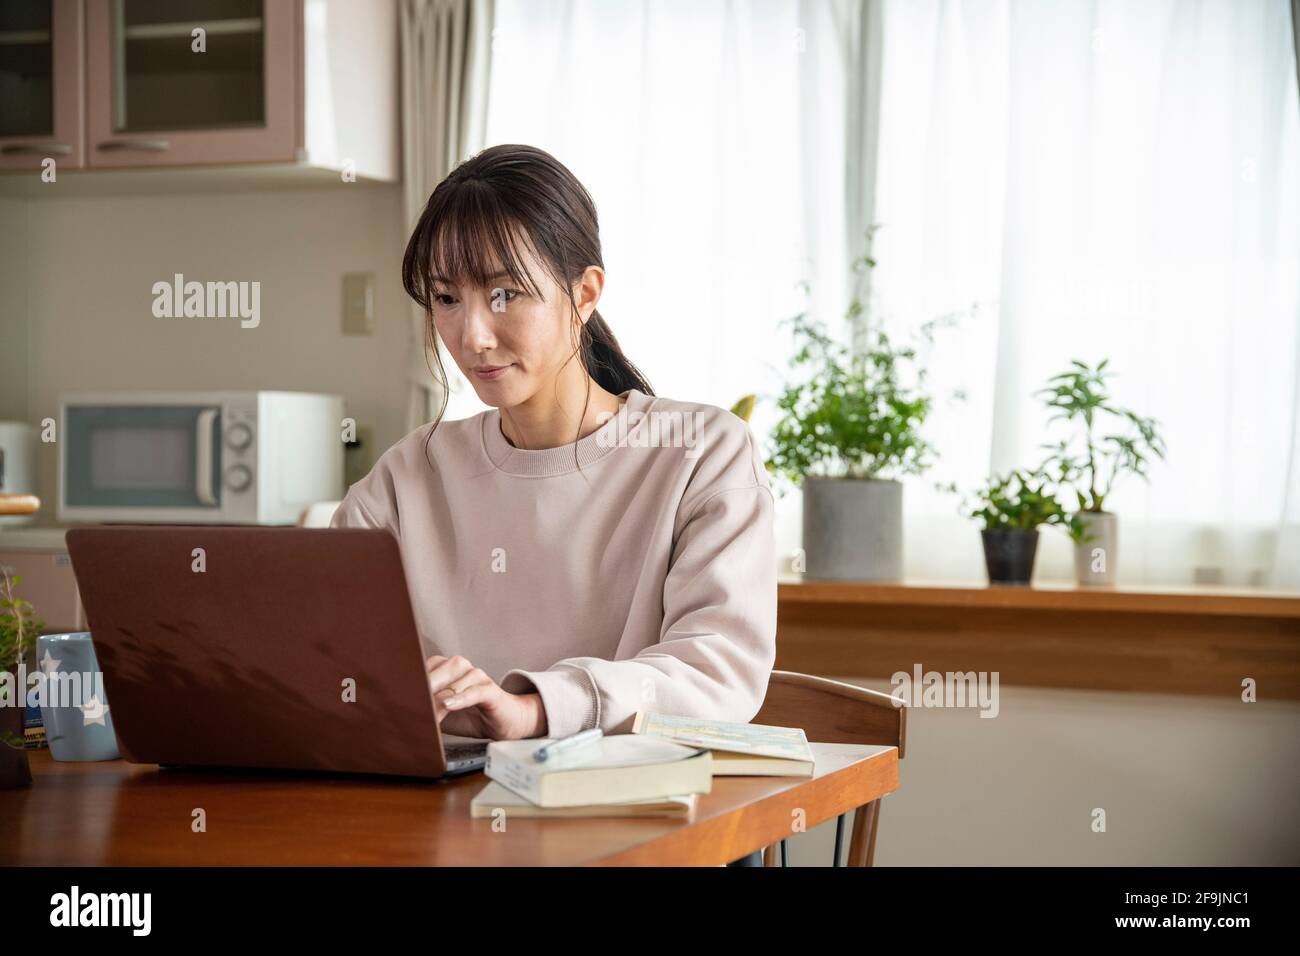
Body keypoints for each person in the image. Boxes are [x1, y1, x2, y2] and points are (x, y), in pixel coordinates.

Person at [331, 144, 777, 750]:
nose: (472, 335)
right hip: (435, 825)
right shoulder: (406, 477)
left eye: (503, 294)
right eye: (445, 299)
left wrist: (533, 710)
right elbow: (326, 652)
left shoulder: (703, 452)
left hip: (632, 825)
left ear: (585, 294)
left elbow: (716, 674)